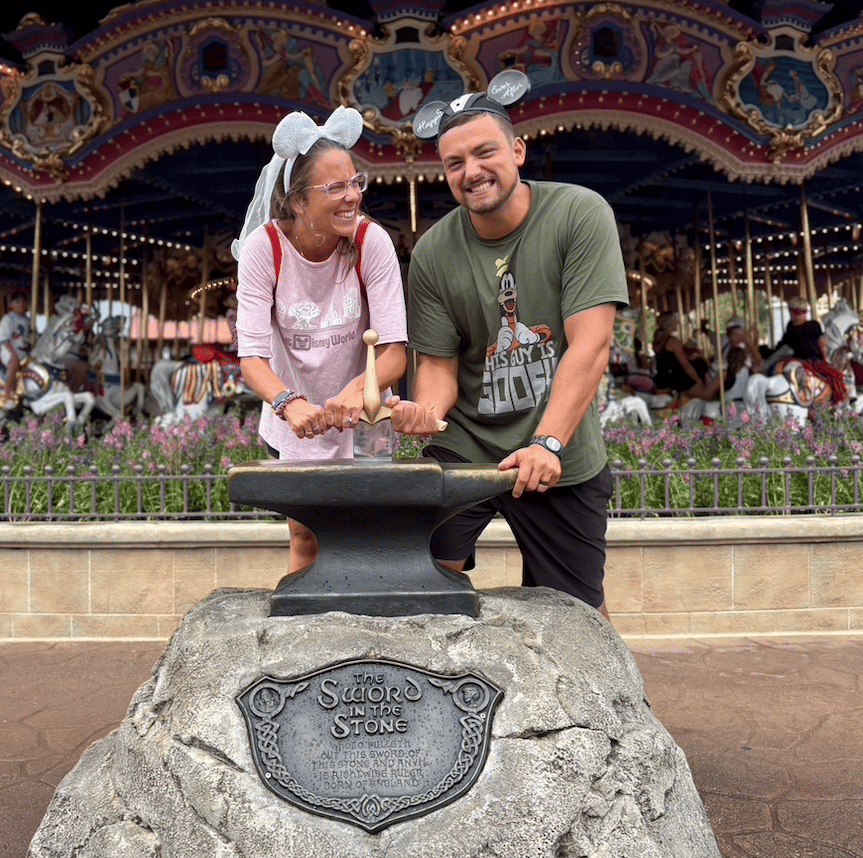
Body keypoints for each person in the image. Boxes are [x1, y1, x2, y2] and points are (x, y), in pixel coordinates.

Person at [391, 72, 629, 619]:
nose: (471, 171)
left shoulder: (579, 213)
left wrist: (548, 443)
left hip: (557, 445)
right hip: (467, 444)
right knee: (420, 586)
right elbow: (439, 367)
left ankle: (601, 679)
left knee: (577, 616)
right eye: (454, 162)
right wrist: (424, 412)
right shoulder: (432, 252)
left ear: (517, 151)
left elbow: (591, 345)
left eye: (484, 153)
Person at [233, 106, 408, 574]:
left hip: (364, 417)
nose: (352, 197)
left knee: (370, 534)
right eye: (335, 188)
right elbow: (251, 358)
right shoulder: (264, 249)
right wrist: (289, 404)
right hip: (296, 418)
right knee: (305, 535)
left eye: (355, 183)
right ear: (297, 202)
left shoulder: (371, 242)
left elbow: (395, 350)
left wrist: (359, 390)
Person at [653, 311, 709, 398]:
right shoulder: (673, 341)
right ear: (669, 323)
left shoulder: (659, 339)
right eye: (676, 320)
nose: (678, 323)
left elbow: (670, 358)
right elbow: (686, 365)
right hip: (676, 379)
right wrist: (699, 381)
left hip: (663, 378)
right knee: (706, 395)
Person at [0, 290, 32, 407]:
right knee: (14, 363)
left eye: (23, 302)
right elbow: (4, 339)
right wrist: (13, 354)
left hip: (23, 350)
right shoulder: (8, 319)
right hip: (9, 350)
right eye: (17, 302)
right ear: (11, 304)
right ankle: (7, 397)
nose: (21, 304)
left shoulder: (28, 320)